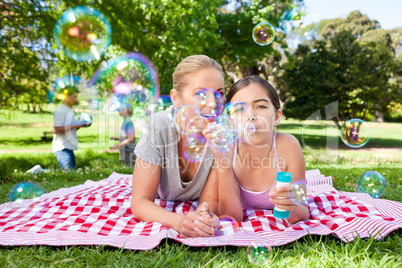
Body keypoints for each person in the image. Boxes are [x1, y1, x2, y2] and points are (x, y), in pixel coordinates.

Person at [131, 55, 225, 237]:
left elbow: (210, 202)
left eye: (219, 93)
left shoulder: (222, 134)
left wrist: (203, 218)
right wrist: (180, 222)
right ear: (176, 98)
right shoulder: (157, 127)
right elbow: (140, 202)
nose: (213, 103)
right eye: (201, 94)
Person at [203, 75, 309, 224]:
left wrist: (291, 205)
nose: (251, 116)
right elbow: (231, 217)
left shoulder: (288, 146)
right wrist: (224, 167)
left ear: (277, 116)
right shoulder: (227, 149)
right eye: (240, 109)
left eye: (261, 106)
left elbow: (301, 213)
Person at [52, 86, 89, 170]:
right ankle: (39, 171)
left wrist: (80, 125)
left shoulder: (70, 110)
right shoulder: (61, 110)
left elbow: (71, 128)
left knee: (71, 173)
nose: (76, 99)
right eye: (74, 96)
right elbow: (56, 130)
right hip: (62, 148)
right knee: (67, 173)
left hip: (69, 147)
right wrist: (75, 125)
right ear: (67, 96)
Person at [109, 102, 136, 167]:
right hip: (125, 151)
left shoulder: (129, 123)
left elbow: (130, 139)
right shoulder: (125, 122)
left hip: (129, 151)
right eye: (119, 109)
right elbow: (126, 136)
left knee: (129, 169)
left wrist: (116, 146)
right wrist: (116, 138)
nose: (120, 111)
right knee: (125, 167)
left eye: (122, 109)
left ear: (129, 111)